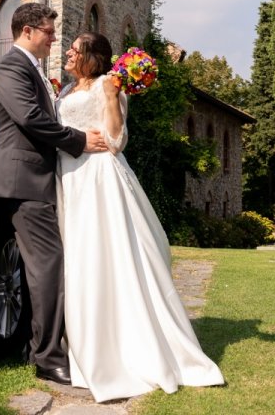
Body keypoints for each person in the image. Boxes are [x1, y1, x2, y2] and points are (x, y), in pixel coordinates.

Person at [56, 32, 225, 403]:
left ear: (94, 58)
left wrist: (114, 95)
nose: (68, 50)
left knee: (104, 258)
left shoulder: (107, 86)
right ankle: (79, 339)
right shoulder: (66, 89)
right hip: (69, 178)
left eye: (76, 48)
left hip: (98, 180)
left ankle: (117, 348)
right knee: (77, 259)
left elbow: (115, 141)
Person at [0, 3, 106, 386]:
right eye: (48, 32)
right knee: (49, 265)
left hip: (37, 178)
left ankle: (34, 345)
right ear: (27, 32)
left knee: (38, 267)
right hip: (24, 179)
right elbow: (31, 119)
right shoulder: (10, 68)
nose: (54, 39)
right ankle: (48, 357)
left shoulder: (31, 68)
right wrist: (79, 140)